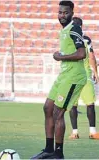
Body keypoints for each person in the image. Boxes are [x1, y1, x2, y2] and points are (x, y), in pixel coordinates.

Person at [31, 1, 86, 159]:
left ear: (72, 13)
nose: (62, 15)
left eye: (66, 13)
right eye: (60, 12)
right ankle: (49, 149)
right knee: (47, 108)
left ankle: (58, 153)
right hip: (63, 76)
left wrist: (61, 57)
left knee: (58, 112)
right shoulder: (63, 30)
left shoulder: (74, 28)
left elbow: (81, 53)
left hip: (74, 77)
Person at [69, 17, 99, 140]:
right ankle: (93, 132)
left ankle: (74, 132)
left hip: (72, 77)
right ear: (81, 26)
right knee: (90, 104)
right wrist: (96, 73)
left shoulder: (68, 40)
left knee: (73, 105)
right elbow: (91, 57)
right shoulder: (86, 39)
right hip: (85, 75)